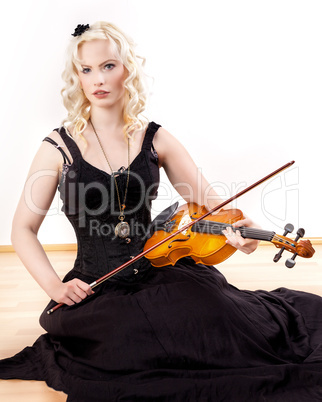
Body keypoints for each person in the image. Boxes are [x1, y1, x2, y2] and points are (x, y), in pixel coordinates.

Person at [0, 21, 321, 402]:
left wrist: (240, 231)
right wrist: (55, 287)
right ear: (77, 78)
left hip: (159, 267)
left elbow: (210, 205)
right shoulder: (58, 148)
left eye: (108, 66)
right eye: (86, 70)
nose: (97, 79)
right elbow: (22, 229)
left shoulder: (155, 139)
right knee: (127, 341)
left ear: (127, 70)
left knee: (211, 322)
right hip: (96, 284)